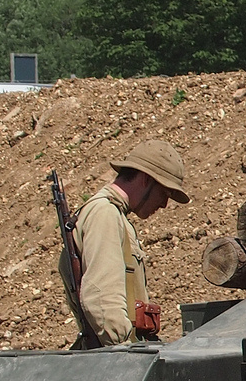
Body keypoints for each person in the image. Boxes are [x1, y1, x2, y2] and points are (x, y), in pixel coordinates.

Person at [72, 140, 189, 346]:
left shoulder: (114, 214)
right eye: (164, 193)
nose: (164, 204)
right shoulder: (105, 213)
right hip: (119, 358)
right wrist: (125, 351)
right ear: (145, 179)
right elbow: (101, 297)